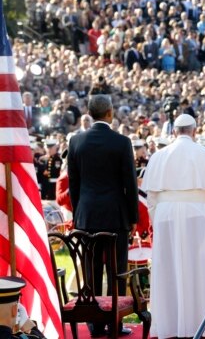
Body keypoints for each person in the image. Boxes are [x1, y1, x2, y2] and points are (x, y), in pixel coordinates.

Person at [142, 113, 205, 338]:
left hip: (165, 214)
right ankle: (203, 324)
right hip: (199, 214)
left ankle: (169, 325)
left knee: (168, 268)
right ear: (195, 131)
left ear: (173, 132)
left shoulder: (159, 156)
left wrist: (157, 224)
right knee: (200, 269)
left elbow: (151, 199)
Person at [67, 94, 138, 337]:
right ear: (110, 113)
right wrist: (133, 218)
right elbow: (130, 184)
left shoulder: (76, 142)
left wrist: (79, 214)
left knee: (92, 270)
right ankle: (114, 324)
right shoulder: (121, 142)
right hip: (116, 215)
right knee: (117, 270)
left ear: (90, 113)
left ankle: (95, 323)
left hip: (87, 215)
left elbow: (73, 185)